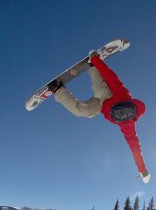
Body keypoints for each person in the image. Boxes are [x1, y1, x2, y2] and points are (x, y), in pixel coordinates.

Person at [49, 52, 150, 183]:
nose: (118, 115)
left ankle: (58, 90)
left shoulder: (128, 125)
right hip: (107, 94)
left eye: (119, 117)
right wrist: (96, 60)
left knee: (82, 112)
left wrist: (142, 169)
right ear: (128, 104)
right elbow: (110, 76)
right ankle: (93, 67)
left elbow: (135, 147)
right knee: (100, 91)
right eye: (119, 111)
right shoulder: (123, 94)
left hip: (100, 106)